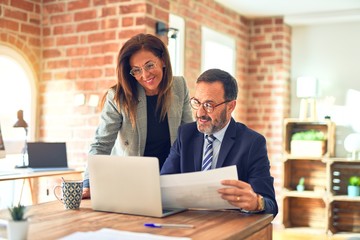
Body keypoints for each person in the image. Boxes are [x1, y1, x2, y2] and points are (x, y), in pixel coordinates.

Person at [82, 33, 193, 198]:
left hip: (170, 180)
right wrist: (88, 183)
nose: (145, 75)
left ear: (162, 60)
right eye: (136, 70)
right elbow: (101, 144)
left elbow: (188, 137)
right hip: (129, 182)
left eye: (149, 65)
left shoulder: (179, 86)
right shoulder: (118, 96)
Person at [161, 68, 278, 216]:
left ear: (230, 107)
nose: (200, 113)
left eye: (209, 105)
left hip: (228, 226)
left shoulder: (252, 143)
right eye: (197, 102)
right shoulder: (186, 135)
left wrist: (256, 202)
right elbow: (163, 186)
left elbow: (271, 205)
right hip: (188, 223)